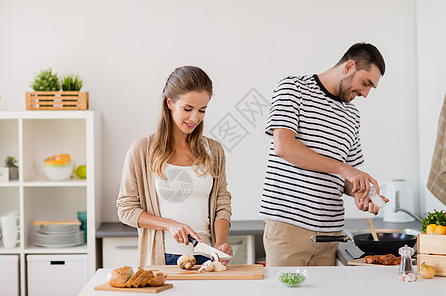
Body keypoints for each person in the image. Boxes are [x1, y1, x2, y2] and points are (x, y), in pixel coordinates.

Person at [260, 42, 388, 266]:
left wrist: (360, 192)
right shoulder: (293, 88)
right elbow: (284, 147)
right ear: (349, 67)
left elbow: (348, 177)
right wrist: (345, 169)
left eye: (371, 88)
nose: (365, 94)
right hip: (289, 228)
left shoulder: (352, 115)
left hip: (330, 234)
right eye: (365, 83)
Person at [117, 66, 233, 268]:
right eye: (188, 109)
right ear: (169, 102)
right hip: (164, 258)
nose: (195, 118)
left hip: (208, 259)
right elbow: (126, 209)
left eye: (202, 110)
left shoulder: (213, 151)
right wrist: (169, 224)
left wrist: (221, 242)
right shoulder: (141, 151)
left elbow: (222, 203)